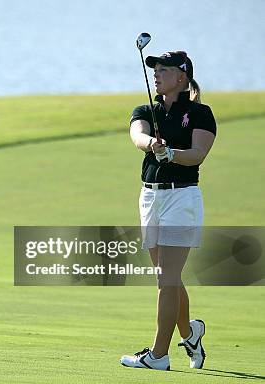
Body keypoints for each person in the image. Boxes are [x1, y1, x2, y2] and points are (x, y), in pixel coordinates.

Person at [120, 51, 217, 371]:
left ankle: (158, 356)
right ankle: (191, 333)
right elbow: (137, 135)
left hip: (182, 199)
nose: (156, 75)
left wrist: (171, 153)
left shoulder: (201, 113)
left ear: (182, 77)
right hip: (150, 199)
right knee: (170, 278)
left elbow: (197, 154)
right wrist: (152, 145)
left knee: (166, 279)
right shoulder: (145, 109)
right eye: (155, 71)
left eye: (164, 70)